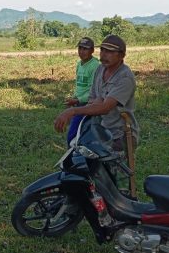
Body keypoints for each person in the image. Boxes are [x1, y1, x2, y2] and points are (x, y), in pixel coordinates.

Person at [54, 35, 139, 193]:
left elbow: (106, 106)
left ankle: (124, 212)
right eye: (103, 50)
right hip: (101, 129)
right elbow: (95, 99)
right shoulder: (100, 70)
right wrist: (92, 106)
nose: (104, 55)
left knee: (118, 182)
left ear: (121, 55)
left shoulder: (125, 77)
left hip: (120, 133)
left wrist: (73, 111)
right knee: (99, 176)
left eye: (110, 52)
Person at [64, 37, 100, 144]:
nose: (82, 52)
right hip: (78, 103)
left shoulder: (95, 66)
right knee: (80, 132)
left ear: (92, 50)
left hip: (88, 104)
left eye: (85, 49)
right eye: (80, 48)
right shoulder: (79, 64)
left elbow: (94, 89)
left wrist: (77, 100)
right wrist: (74, 98)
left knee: (73, 134)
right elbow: (78, 85)